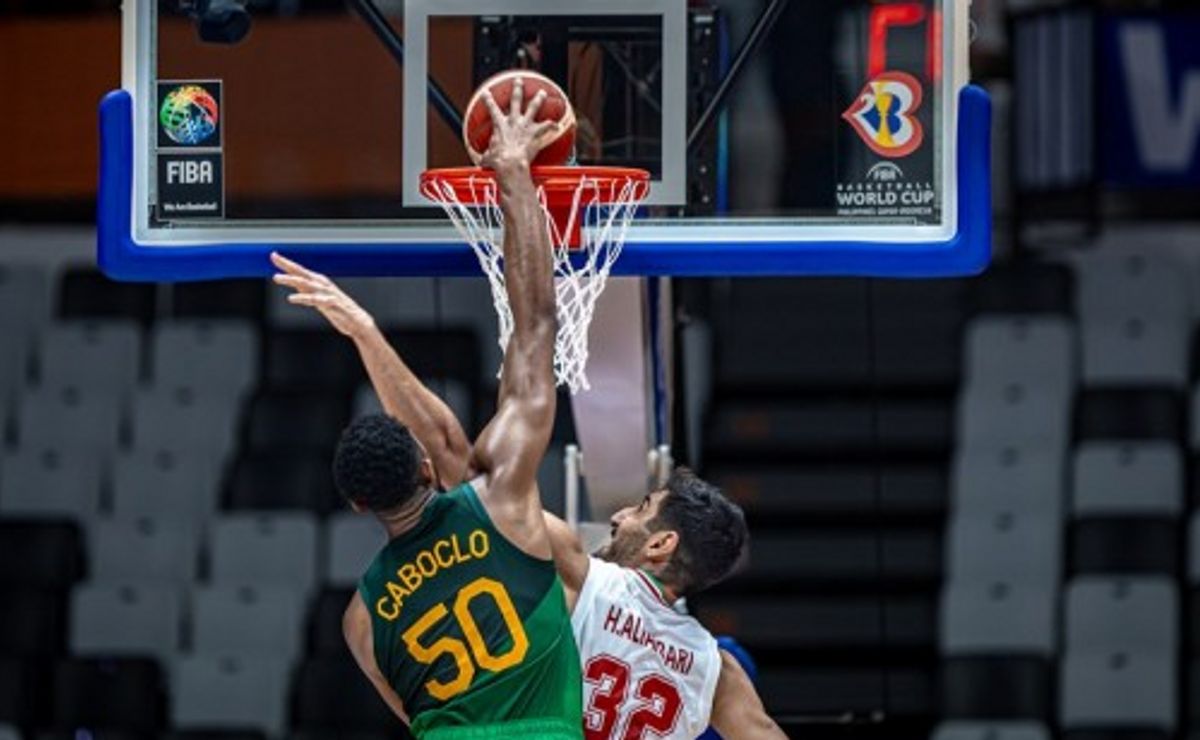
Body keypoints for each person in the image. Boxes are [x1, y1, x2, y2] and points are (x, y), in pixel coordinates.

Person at [274, 242, 784, 738]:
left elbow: (450, 454)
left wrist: (365, 334)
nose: (620, 515)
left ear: (661, 544)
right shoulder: (715, 671)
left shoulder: (585, 580)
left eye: (643, 509)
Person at [271, 77, 582, 739]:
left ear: (358, 505)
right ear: (422, 468)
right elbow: (535, 327)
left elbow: (414, 716)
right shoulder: (500, 502)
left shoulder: (361, 619)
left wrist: (366, 336)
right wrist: (515, 174)